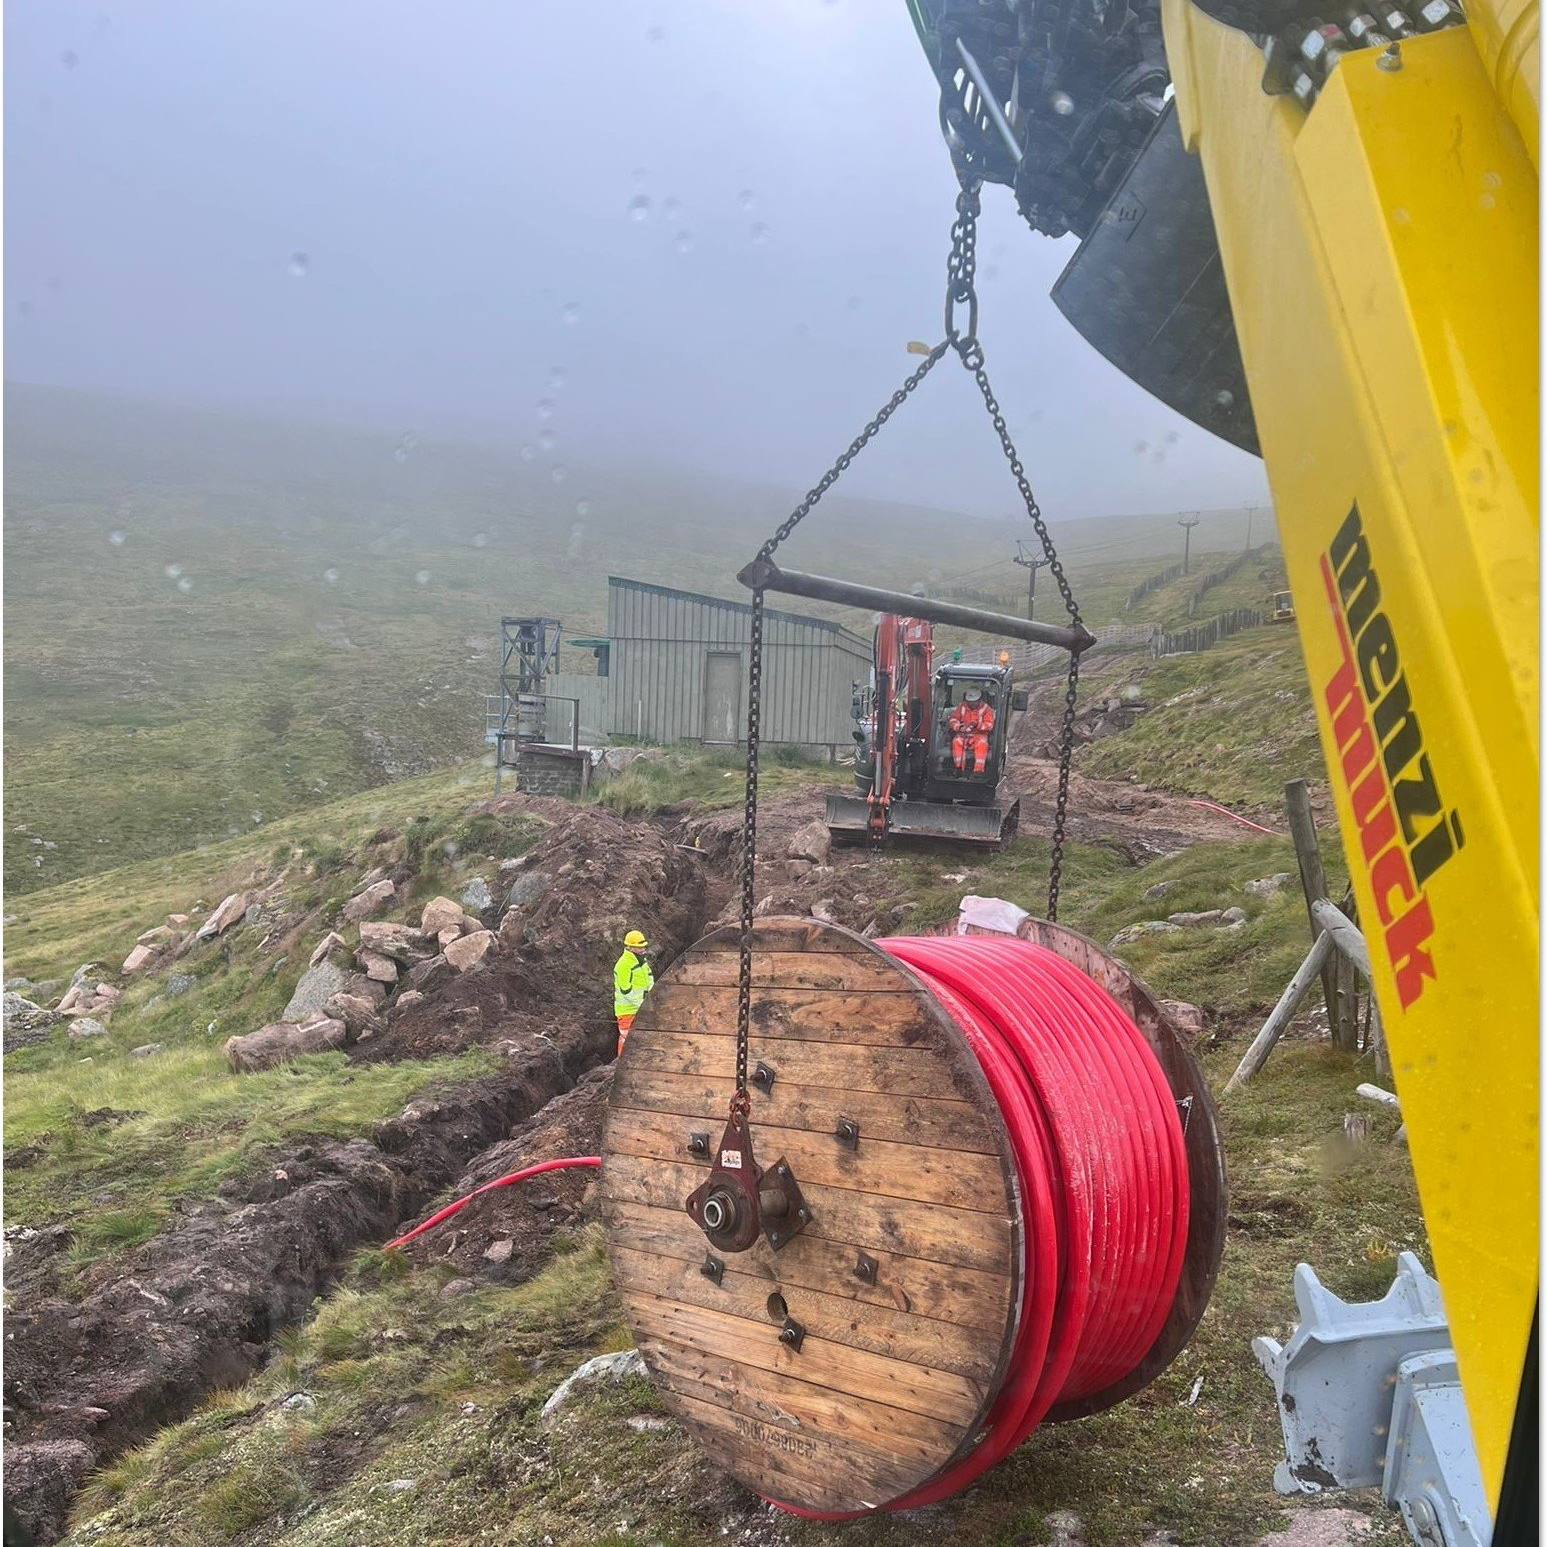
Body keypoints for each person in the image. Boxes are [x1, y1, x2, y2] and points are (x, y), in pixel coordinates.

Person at [613, 928, 654, 1056]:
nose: (642, 950)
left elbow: (649, 979)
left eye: (643, 947)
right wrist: (643, 1005)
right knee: (627, 1039)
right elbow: (626, 991)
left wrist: (652, 998)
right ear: (630, 947)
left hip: (642, 1006)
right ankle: (621, 1064)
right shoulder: (623, 965)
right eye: (639, 947)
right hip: (627, 1010)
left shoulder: (642, 961)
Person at [949, 686, 995, 775]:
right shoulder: (962, 707)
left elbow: (989, 725)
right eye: (970, 702)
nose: (972, 704)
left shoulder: (987, 709)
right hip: (963, 733)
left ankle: (978, 771)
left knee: (982, 744)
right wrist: (959, 727)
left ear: (979, 700)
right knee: (956, 742)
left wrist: (977, 725)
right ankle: (959, 769)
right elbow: (953, 719)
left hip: (980, 734)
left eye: (974, 702)